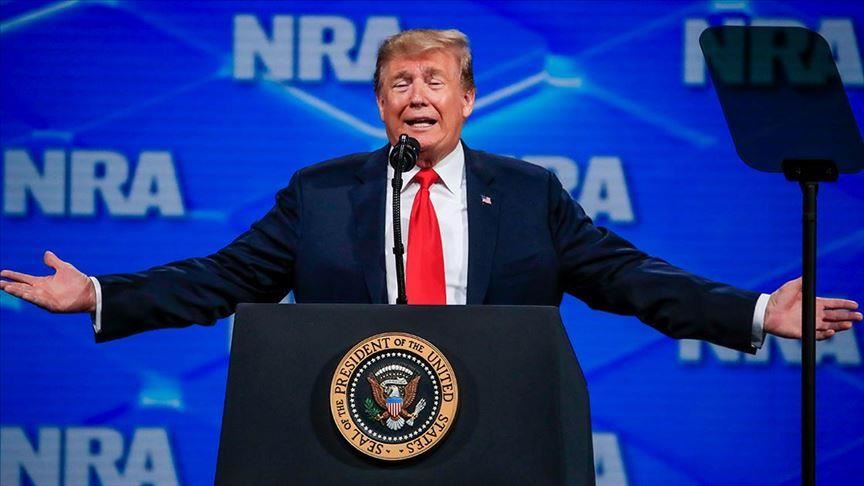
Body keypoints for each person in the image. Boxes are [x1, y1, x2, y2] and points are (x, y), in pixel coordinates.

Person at [0, 29, 860, 347]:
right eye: (400, 82)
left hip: (496, 433)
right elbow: (223, 278)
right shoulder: (321, 193)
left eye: (435, 80)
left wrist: (754, 311)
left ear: (469, 99)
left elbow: (627, 277)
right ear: (380, 105)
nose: (417, 95)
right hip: (348, 435)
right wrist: (100, 294)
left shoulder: (527, 194)